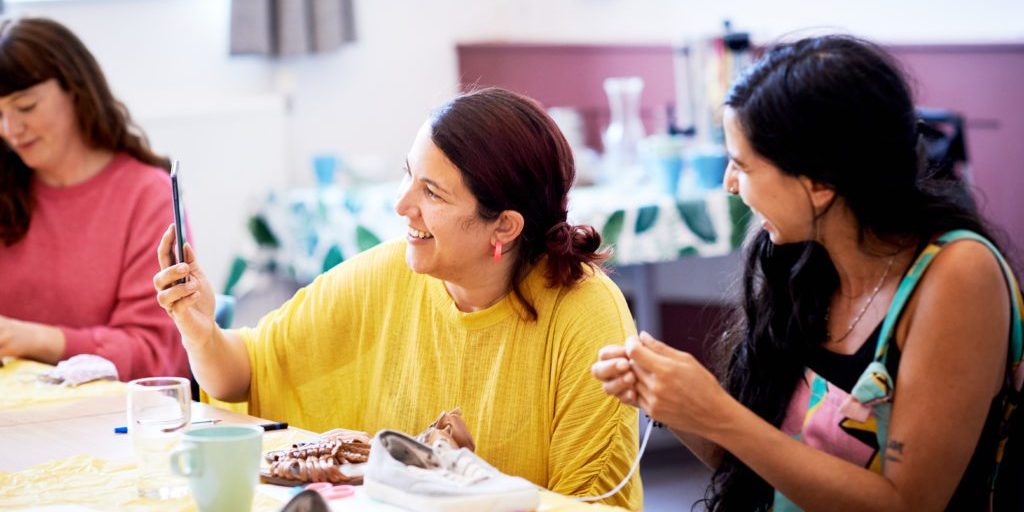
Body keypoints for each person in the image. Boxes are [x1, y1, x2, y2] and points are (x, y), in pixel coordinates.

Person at [154, 87, 642, 508]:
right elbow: (243, 371)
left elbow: (590, 504)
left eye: (431, 192)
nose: (400, 204)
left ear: (506, 226)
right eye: (407, 174)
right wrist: (198, 325)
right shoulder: (385, 274)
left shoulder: (583, 313)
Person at [593, 35, 1022, 511]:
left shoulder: (959, 274)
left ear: (819, 183)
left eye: (742, 164)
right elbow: (765, 466)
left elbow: (909, 504)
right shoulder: (806, 262)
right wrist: (672, 401)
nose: (730, 185)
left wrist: (719, 414)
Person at [0, 17, 189, 381]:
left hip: (110, 418)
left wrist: (32, 339)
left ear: (75, 89)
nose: (10, 130)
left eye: (25, 108)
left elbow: (153, 354)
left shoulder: (145, 194)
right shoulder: (8, 185)